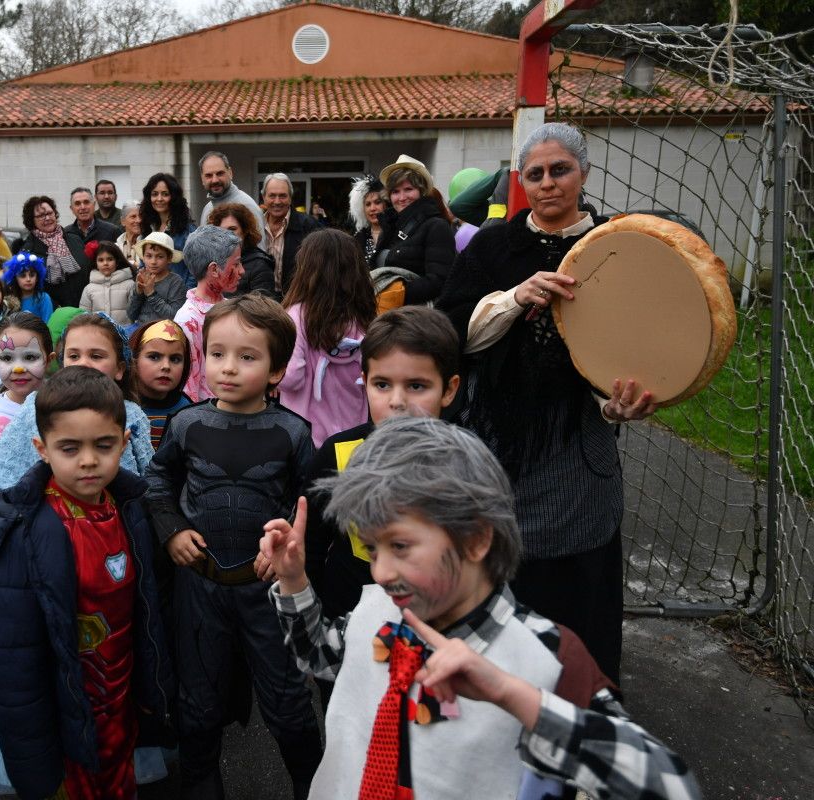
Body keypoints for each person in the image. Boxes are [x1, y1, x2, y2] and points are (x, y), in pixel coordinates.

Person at [262, 416, 701, 800]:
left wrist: (514, 696)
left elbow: (668, 787)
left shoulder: (545, 657)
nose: (380, 572)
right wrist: (294, 580)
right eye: (373, 549)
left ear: (475, 538)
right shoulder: (376, 609)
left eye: (400, 546)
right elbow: (319, 655)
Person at [437, 123, 657, 682]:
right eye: (534, 174)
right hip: (495, 439)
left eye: (560, 170)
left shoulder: (618, 246)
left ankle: (579, 705)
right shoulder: (493, 247)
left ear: (583, 172)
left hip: (574, 444)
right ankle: (493, 697)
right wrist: (514, 297)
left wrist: (619, 404)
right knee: (493, 570)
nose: (547, 184)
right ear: (520, 182)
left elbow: (635, 350)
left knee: (575, 580)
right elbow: (449, 331)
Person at [0, 366, 173, 798]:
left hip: (121, 699)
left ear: (126, 443)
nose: (89, 460)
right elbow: (12, 665)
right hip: (65, 711)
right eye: (70, 448)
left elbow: (149, 609)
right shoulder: (24, 534)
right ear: (41, 448)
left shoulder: (132, 510)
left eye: (104, 445)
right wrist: (33, 760)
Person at [145, 292, 322, 799]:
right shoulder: (187, 424)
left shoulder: (294, 432)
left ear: (276, 371)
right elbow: (158, 483)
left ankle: (315, 786)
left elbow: (308, 499)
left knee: (288, 704)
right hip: (200, 586)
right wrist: (172, 529)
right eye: (218, 353)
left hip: (266, 592)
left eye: (248, 357)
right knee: (197, 705)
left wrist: (286, 542)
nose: (229, 368)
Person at [304, 306, 460, 623]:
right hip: (348, 627)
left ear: (449, 389)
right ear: (364, 381)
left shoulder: (465, 463)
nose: (397, 401)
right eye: (382, 384)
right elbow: (310, 548)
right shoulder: (339, 454)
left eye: (416, 386)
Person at [0, 312, 155, 491]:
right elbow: (7, 478)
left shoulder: (133, 415)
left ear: (119, 368)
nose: (83, 364)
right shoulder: (36, 406)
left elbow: (150, 481)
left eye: (96, 356)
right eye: (74, 356)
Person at [278, 228, 375, 447]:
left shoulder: (297, 316)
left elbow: (291, 377)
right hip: (354, 435)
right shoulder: (364, 317)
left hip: (306, 435)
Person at [173, 225, 244, 402]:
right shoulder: (188, 320)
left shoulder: (231, 308)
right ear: (214, 269)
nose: (242, 271)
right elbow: (188, 387)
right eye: (236, 264)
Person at [372, 154, 455, 305]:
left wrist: (396, 295)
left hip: (416, 319)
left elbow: (440, 280)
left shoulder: (436, 226)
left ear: (422, 191)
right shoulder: (389, 226)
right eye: (395, 191)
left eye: (408, 189)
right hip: (385, 314)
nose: (402, 197)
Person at [0, 312, 53, 458]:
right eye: (7, 358)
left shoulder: (63, 405)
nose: (18, 368)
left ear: (49, 360)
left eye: (30, 357)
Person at [129, 319, 190, 449]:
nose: (166, 366)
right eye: (154, 357)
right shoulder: (118, 406)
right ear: (134, 359)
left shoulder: (188, 411)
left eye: (175, 359)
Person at [23, 195, 89, 308]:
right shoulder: (28, 252)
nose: (47, 218)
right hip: (52, 314)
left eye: (49, 213)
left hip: (84, 309)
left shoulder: (74, 239)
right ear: (31, 220)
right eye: (41, 216)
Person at [260, 173, 320, 296]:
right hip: (261, 301)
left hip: (296, 300)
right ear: (263, 197)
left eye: (282, 196)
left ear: (290, 198)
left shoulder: (309, 226)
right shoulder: (255, 225)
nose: (277, 201)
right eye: (272, 196)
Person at [209, 202, 277, 300]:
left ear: (245, 231)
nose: (227, 235)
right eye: (221, 230)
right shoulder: (213, 261)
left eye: (232, 229)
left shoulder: (260, 264)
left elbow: (264, 310)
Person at [140, 173, 196, 287]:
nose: (159, 199)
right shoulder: (147, 227)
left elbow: (195, 269)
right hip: (151, 294)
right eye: (155, 194)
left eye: (165, 194)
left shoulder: (188, 230)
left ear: (174, 197)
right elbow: (143, 264)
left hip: (178, 296)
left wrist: (185, 295)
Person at [128, 231, 187, 326]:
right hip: (140, 330)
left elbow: (174, 316)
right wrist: (138, 293)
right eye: (149, 256)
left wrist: (151, 294)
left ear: (169, 258)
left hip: (164, 334)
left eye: (160, 257)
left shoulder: (175, 282)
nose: (153, 261)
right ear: (143, 257)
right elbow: (131, 315)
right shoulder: (142, 276)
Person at [197, 151, 265, 231]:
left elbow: (258, 243)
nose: (215, 180)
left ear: (230, 173)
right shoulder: (207, 210)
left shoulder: (247, 206)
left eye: (220, 173)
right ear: (202, 179)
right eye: (208, 175)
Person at [79, 241, 135, 324]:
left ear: (117, 262)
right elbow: (84, 316)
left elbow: (135, 312)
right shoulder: (89, 289)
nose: (105, 263)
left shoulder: (129, 285)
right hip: (98, 334)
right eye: (101, 260)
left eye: (110, 259)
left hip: (125, 334)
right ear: (96, 263)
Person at [4, 251, 54, 323]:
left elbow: (48, 324)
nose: (28, 279)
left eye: (32, 275)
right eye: (22, 276)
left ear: (37, 278)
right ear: (15, 279)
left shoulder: (43, 298)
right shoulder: (11, 300)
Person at [348, 174, 387, 265]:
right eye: (368, 204)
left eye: (377, 202)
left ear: (386, 204)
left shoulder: (397, 233)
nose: (372, 208)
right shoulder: (358, 238)